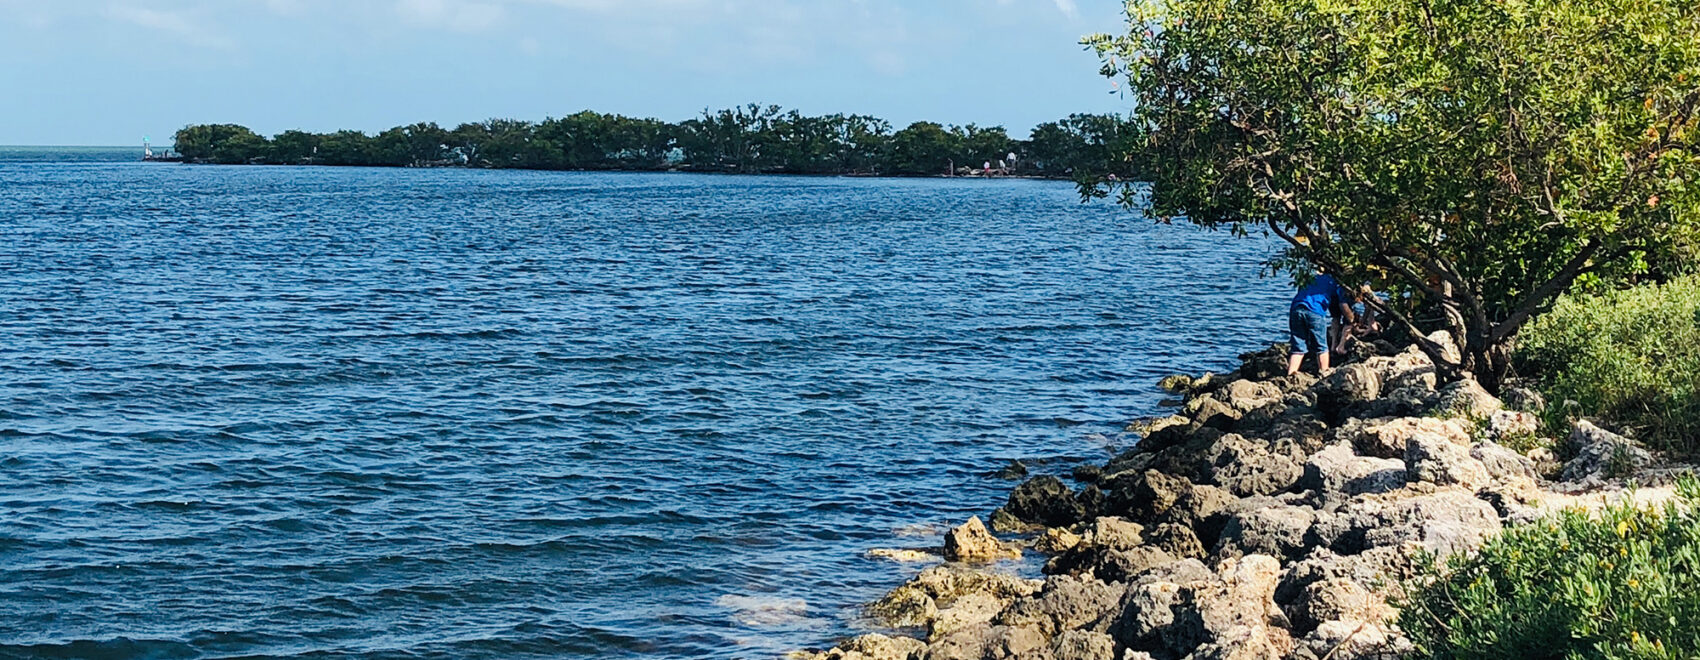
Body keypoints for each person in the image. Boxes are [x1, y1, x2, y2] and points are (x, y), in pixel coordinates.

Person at [1287, 272, 1358, 375]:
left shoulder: (1311, 278)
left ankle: (1291, 374)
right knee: (1322, 347)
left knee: (1298, 346)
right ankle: (1324, 373)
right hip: (1315, 311)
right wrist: (1352, 320)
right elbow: (1343, 305)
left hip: (1296, 308)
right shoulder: (1335, 282)